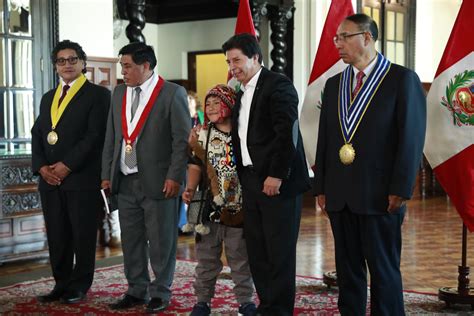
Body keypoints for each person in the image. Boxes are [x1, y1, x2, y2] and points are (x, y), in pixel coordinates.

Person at [314, 14, 426, 315]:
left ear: (367, 37)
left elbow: (411, 139)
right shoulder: (335, 83)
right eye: (336, 37)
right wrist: (321, 186)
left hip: (381, 196)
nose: (337, 43)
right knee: (347, 270)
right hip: (340, 195)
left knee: (383, 270)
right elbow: (325, 139)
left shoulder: (402, 80)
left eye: (344, 36)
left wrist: (401, 188)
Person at [222, 33, 311, 315]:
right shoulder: (239, 92)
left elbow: (287, 135)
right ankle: (267, 305)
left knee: (279, 251)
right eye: (229, 61)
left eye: (237, 60)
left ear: (256, 58)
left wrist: (276, 175)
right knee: (258, 251)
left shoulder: (278, 86)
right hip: (250, 181)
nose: (232, 66)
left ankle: (280, 310)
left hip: (277, 182)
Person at [101, 42, 190, 313]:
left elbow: (181, 141)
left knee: (162, 241)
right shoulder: (118, 93)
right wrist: (106, 174)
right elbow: (111, 138)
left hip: (161, 182)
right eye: (121, 66)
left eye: (127, 66)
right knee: (131, 240)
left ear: (146, 65)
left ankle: (160, 292)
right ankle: (136, 289)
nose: (123, 71)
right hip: (125, 180)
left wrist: (175, 176)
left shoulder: (172, 93)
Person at [31, 40, 110, 304]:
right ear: (55, 66)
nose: (67, 64)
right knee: (57, 234)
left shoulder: (98, 95)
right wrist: (41, 167)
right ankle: (61, 283)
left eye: (72, 59)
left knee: (82, 234)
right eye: (61, 61)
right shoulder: (48, 97)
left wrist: (67, 166)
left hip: (80, 177)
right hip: (50, 180)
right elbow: (38, 134)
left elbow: (94, 136)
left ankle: (79, 285)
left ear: (83, 63)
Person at [182, 84, 256, 316]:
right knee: (206, 259)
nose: (212, 107)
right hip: (208, 208)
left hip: (237, 208)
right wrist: (190, 188)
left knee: (240, 258)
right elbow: (195, 164)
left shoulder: (242, 133)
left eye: (217, 102)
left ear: (230, 105)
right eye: (208, 103)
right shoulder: (202, 134)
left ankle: (245, 302)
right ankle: (202, 302)